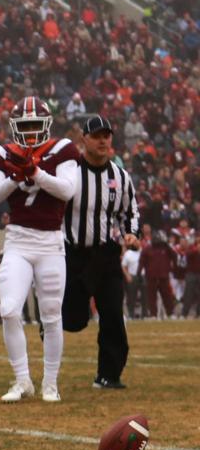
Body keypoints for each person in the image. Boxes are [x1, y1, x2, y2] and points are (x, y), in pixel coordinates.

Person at [0, 97, 80, 402]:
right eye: (23, 126)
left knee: (51, 315)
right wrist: (16, 174)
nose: (28, 133)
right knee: (9, 309)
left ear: (46, 126)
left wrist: (34, 172)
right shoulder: (3, 154)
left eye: (34, 126)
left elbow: (67, 190)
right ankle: (22, 380)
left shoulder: (63, 149)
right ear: (14, 127)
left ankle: (50, 383)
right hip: (19, 240)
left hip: (51, 242)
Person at [61, 116, 141, 389]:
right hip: (74, 254)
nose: (104, 140)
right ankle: (54, 316)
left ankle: (109, 375)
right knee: (73, 320)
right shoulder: (69, 172)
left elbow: (130, 212)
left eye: (107, 135)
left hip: (106, 254)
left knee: (112, 314)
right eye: (97, 136)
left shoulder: (120, 176)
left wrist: (132, 233)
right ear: (84, 139)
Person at [138, 231, 175, 318]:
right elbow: (141, 262)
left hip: (164, 276)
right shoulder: (147, 249)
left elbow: (175, 256)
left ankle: (170, 314)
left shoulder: (166, 248)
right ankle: (153, 315)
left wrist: (168, 246)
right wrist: (138, 273)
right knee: (151, 297)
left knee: (167, 296)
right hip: (151, 277)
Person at [122, 238, 143, 319]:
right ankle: (131, 315)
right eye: (135, 242)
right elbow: (123, 266)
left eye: (138, 242)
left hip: (142, 275)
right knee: (131, 297)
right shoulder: (128, 253)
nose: (137, 243)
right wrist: (127, 275)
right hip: (132, 276)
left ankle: (145, 315)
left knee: (144, 296)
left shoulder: (143, 251)